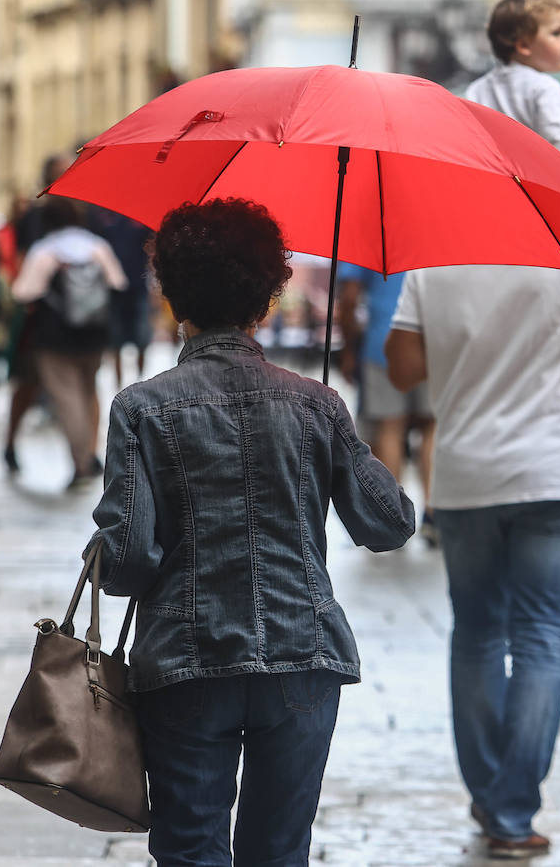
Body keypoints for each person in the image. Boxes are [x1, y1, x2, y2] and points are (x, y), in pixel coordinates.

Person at [84, 198, 415, 866]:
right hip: (305, 655)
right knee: (280, 853)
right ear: (268, 298)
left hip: (185, 661)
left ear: (173, 297)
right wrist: (339, 435)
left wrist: (107, 547)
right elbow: (389, 524)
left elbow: (126, 563)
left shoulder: (141, 408)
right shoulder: (316, 403)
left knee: (190, 849)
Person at [385, 239, 560, 859]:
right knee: (541, 637)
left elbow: (401, 367)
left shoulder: (434, 248)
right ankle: (511, 811)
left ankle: (490, 797)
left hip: (467, 475)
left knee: (477, 634)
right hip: (556, 474)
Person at [10, 196, 126, 488]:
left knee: (67, 398)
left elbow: (22, 292)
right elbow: (118, 283)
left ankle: (81, 461)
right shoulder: (97, 246)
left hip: (55, 337)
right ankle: (91, 452)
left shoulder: (45, 251)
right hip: (95, 334)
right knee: (89, 391)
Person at [335, 264, 438, 543]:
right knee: (431, 427)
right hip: (430, 342)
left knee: (390, 427)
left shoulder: (368, 241)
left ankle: (393, 516)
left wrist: (349, 348)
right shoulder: (434, 241)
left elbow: (350, 297)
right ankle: (433, 514)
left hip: (382, 342)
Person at [465, 0, 560, 186]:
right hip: (537, 184)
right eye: (557, 33)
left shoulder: (476, 89)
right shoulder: (545, 88)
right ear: (524, 45)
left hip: (492, 182)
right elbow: (557, 139)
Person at [4, 153, 73, 473]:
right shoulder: (32, 217)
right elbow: (20, 261)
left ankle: (84, 457)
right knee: (27, 384)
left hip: (77, 318)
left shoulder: (85, 216)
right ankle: (9, 443)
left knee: (80, 388)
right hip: (38, 317)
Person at [90, 207, 155, 388]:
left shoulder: (139, 218)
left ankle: (141, 384)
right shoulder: (103, 216)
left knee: (142, 339)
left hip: (138, 287)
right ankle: (119, 386)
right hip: (114, 290)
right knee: (116, 340)